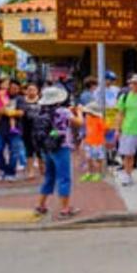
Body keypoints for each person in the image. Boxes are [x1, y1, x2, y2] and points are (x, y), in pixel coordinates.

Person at [34, 85, 81, 219]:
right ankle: (65, 208)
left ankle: (41, 205)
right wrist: (80, 112)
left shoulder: (41, 111)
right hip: (61, 146)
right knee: (64, 178)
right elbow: (78, 123)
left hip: (47, 147)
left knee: (49, 176)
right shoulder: (63, 112)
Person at [0, 80, 27, 181]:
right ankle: (3, 169)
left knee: (14, 152)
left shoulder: (20, 99)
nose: (14, 90)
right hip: (0, 128)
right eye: (12, 87)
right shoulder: (1, 96)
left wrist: (8, 112)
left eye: (16, 88)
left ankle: (10, 172)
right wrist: (5, 111)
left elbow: (21, 113)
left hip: (15, 130)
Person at [21, 81, 42, 181]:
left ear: (38, 91)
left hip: (40, 130)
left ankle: (43, 168)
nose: (31, 92)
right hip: (27, 129)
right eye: (29, 90)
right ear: (26, 91)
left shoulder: (42, 101)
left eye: (33, 89)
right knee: (29, 151)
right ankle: (30, 171)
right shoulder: (22, 102)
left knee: (40, 150)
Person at [80, 103, 106, 182]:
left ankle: (98, 173)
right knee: (89, 158)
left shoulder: (99, 120)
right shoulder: (88, 118)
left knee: (98, 159)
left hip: (97, 142)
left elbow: (104, 129)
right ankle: (89, 173)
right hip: (89, 141)